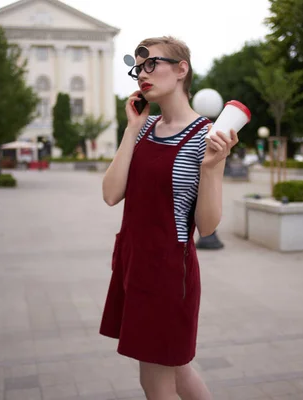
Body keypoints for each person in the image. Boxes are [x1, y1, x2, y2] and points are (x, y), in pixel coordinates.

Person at [99, 36, 238, 400]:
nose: (141, 74)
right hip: (134, 263)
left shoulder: (205, 136)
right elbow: (111, 194)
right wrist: (130, 129)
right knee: (175, 369)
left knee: (155, 380)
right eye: (137, 67)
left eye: (151, 64)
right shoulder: (143, 128)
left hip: (167, 271)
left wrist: (212, 168)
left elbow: (207, 227)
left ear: (181, 69)